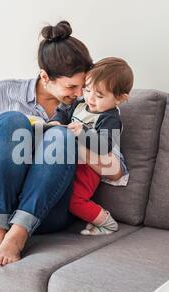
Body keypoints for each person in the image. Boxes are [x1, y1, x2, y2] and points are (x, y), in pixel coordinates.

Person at [0, 21, 127, 266]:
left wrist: (71, 141)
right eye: (72, 86)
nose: (81, 93)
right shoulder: (4, 92)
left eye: (84, 86)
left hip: (45, 212)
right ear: (45, 77)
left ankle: (17, 236)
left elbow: (115, 171)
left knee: (60, 136)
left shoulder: (88, 110)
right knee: (11, 121)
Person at [48, 57, 133, 235]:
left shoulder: (110, 118)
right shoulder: (80, 103)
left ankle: (108, 223)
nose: (90, 98)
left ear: (120, 99)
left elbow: (104, 146)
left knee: (75, 200)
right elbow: (62, 113)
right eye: (87, 90)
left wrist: (82, 133)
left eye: (99, 95)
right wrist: (55, 123)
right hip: (72, 159)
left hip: (90, 168)